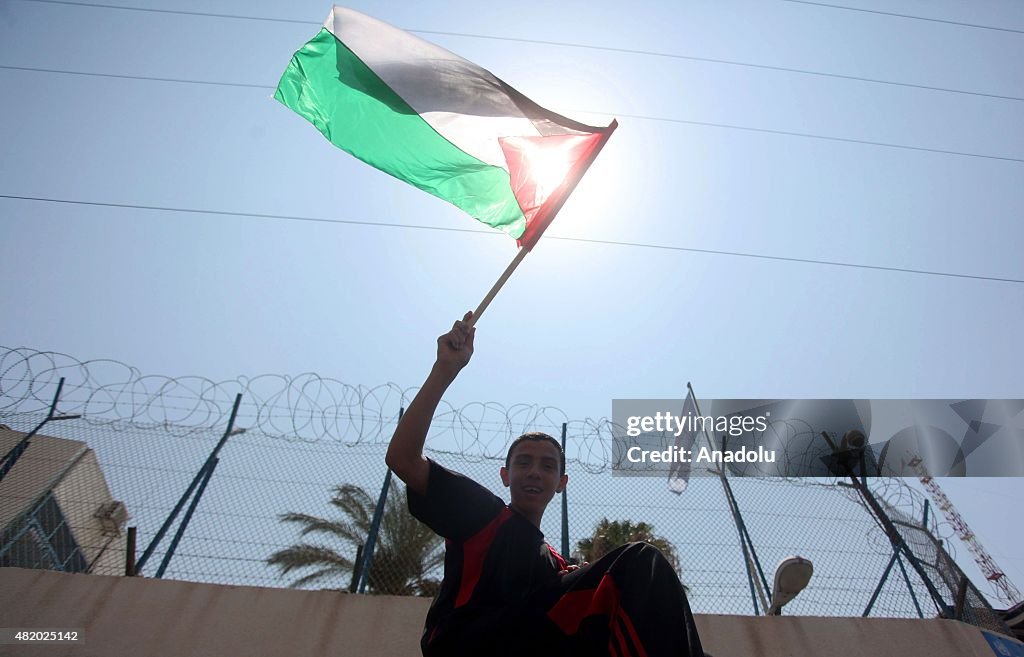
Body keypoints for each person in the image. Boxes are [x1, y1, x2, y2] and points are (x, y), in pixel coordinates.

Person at [385, 312, 705, 657]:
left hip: (534, 641)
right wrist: (445, 369)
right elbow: (403, 459)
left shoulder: (556, 566)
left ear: (561, 483)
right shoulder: (482, 515)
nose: (535, 472)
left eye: (547, 466)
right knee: (641, 561)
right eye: (523, 462)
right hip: (469, 645)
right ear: (505, 475)